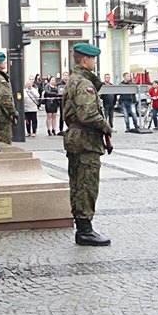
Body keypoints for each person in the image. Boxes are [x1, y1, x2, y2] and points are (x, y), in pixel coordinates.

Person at [62, 43, 112, 246]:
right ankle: (85, 230)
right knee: (87, 184)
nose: (94, 62)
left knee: (77, 183)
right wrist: (106, 127)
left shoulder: (73, 80)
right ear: (85, 60)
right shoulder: (83, 83)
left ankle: (82, 227)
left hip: (76, 138)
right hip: (85, 140)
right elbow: (88, 114)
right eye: (93, 59)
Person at [0, 51, 16, 143]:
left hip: (0, 115)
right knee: (4, 140)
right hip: (2, 115)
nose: (5, 63)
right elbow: (4, 97)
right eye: (3, 61)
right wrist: (13, 112)